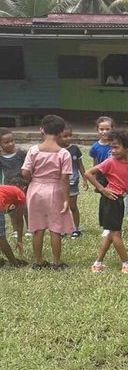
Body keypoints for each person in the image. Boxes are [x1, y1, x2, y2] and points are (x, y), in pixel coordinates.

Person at [83, 127, 128, 274]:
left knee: (110, 233)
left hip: (118, 199)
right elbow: (88, 173)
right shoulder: (110, 162)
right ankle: (126, 264)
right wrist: (103, 189)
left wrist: (127, 189)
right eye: (111, 147)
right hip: (110, 200)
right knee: (116, 234)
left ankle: (98, 263)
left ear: (127, 147)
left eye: (116, 147)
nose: (113, 151)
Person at [21, 114, 73, 269]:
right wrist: (66, 200)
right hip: (55, 189)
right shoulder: (64, 153)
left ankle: (38, 261)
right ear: (60, 132)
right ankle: (56, 262)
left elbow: (24, 172)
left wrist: (32, 180)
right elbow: (64, 179)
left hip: (35, 189)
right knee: (55, 229)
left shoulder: (33, 150)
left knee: (38, 228)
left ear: (41, 130)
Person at [0, 128, 28, 252]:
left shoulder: (21, 153)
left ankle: (25, 233)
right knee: (11, 212)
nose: (10, 144)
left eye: (12, 141)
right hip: (8, 188)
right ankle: (16, 231)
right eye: (6, 142)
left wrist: (28, 182)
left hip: (22, 186)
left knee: (22, 211)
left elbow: (28, 168)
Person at [0, 183, 26, 266]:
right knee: (1, 237)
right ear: (24, 188)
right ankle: (14, 262)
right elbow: (19, 219)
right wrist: (19, 240)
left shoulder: (7, 189)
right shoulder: (21, 194)